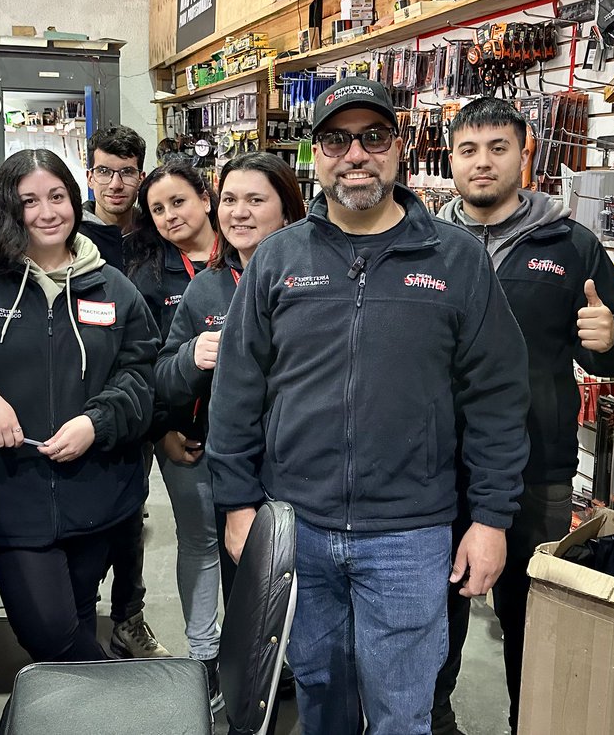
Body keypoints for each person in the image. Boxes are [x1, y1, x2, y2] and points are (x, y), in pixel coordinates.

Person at [207, 77, 531, 735]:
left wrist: (492, 519)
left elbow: (498, 397)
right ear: (315, 156)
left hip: (410, 535)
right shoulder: (278, 260)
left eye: (373, 137)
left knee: (403, 711)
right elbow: (237, 389)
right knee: (319, 697)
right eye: (335, 139)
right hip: (300, 525)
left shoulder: (456, 259)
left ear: (399, 149)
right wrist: (238, 503)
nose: (355, 154)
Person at [433, 97, 614, 735]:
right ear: (451, 159)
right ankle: (432, 723)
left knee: (531, 623)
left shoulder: (572, 244)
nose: (483, 163)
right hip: (433, 467)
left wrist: (613, 339)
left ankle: (530, 722)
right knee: (430, 619)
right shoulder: (422, 243)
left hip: (535, 468)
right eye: (468, 150)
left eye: (498, 148)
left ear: (525, 153)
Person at [0, 149, 158, 664]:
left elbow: (143, 374)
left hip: (99, 491)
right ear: (7, 208)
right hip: (13, 492)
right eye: (29, 201)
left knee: (79, 615)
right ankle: (134, 700)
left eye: (57, 197)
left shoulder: (114, 287)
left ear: (74, 199)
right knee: (50, 632)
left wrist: (97, 421)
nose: (47, 212)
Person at [153, 153, 306, 708]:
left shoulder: (315, 278)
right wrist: (193, 355)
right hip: (234, 472)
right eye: (230, 200)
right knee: (245, 585)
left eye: (256, 200)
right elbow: (164, 378)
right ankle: (244, 689)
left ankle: (300, 678)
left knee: (310, 589)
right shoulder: (207, 290)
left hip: (306, 466)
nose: (239, 213)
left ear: (288, 210)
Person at [126, 162, 223, 688]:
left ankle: (267, 654)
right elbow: (142, 364)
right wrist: (162, 431)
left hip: (257, 439)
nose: (169, 216)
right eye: (158, 209)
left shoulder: (250, 255)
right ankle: (204, 657)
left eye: (178, 202)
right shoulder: (146, 276)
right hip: (183, 437)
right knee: (201, 541)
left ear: (206, 198)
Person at [79, 124, 168, 659]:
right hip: (83, 396)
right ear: (90, 174)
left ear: (140, 173)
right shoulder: (71, 234)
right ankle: (76, 618)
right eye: (105, 171)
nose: (115, 183)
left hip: (146, 391)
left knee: (132, 512)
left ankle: (128, 618)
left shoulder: (155, 232)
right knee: (89, 512)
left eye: (127, 172)